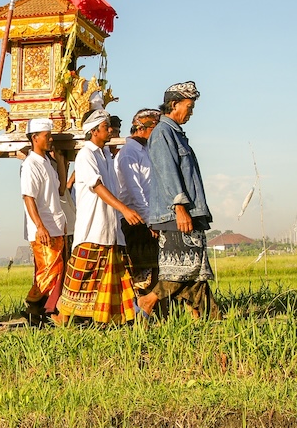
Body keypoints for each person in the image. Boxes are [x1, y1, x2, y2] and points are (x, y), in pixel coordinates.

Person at [138, 82, 219, 319]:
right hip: (176, 214)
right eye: (189, 107)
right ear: (174, 105)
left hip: (188, 211)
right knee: (183, 269)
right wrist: (180, 207)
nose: (191, 113)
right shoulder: (163, 133)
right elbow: (168, 172)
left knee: (196, 269)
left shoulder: (175, 133)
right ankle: (148, 300)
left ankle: (208, 316)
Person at [56, 110, 143, 324]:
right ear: (94, 131)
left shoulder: (105, 154)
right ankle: (63, 317)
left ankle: (123, 316)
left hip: (111, 227)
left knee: (118, 274)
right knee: (82, 275)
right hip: (93, 227)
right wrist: (124, 209)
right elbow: (97, 187)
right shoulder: (85, 155)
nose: (110, 130)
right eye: (106, 127)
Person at [20, 118, 68, 326]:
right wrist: (40, 226)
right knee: (49, 271)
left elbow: (60, 190)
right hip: (43, 229)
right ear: (34, 138)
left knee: (55, 271)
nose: (50, 140)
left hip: (55, 226)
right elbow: (28, 197)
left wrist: (61, 162)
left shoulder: (47, 162)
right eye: (47, 136)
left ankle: (38, 311)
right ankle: (32, 305)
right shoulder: (30, 165)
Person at [116, 109, 161, 295]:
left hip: (149, 216)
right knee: (141, 271)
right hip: (136, 219)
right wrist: (149, 220)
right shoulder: (128, 153)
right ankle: (140, 312)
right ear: (141, 128)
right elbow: (136, 191)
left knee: (154, 268)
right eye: (154, 128)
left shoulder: (145, 150)